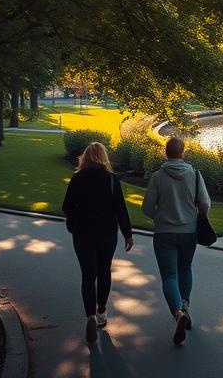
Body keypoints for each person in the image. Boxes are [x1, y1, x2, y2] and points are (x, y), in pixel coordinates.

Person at [62, 142, 134, 343]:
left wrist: (76, 218)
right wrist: (128, 234)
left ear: (84, 157)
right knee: (104, 271)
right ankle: (101, 311)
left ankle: (90, 316)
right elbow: (121, 209)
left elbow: (66, 206)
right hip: (107, 233)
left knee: (88, 275)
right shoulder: (112, 180)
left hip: (83, 233)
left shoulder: (77, 179)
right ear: (104, 157)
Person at [142, 137, 211, 346]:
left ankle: (177, 313)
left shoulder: (157, 177)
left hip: (164, 233)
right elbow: (205, 203)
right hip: (189, 232)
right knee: (185, 269)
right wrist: (198, 216)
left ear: (166, 152)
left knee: (169, 276)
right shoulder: (195, 175)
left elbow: (146, 208)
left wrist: (160, 217)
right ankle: (185, 307)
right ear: (182, 152)